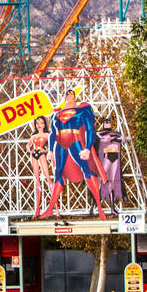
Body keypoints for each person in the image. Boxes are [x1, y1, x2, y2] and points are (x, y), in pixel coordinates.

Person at [35, 88, 108, 220]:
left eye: (71, 94)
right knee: (58, 173)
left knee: (86, 169)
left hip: (75, 140)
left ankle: (99, 206)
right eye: (67, 94)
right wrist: (50, 150)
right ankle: (50, 209)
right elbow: (53, 133)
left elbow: (90, 129)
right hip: (60, 143)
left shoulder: (82, 109)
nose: (69, 95)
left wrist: (87, 148)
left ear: (75, 96)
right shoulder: (56, 113)